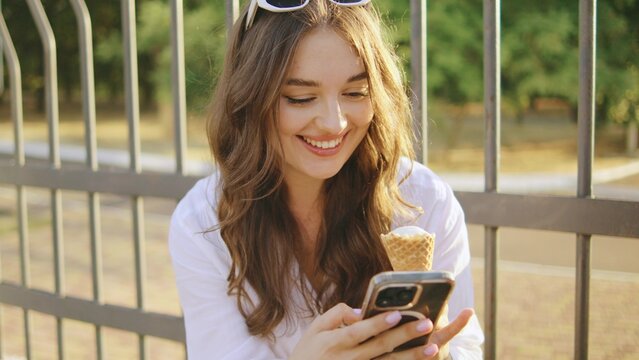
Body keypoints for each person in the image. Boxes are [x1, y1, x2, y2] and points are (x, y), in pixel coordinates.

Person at [169, 0, 484, 359]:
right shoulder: (202, 223)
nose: (334, 124)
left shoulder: (425, 200)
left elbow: (464, 345)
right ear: (250, 98)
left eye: (355, 93)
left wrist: (438, 354)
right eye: (301, 98)